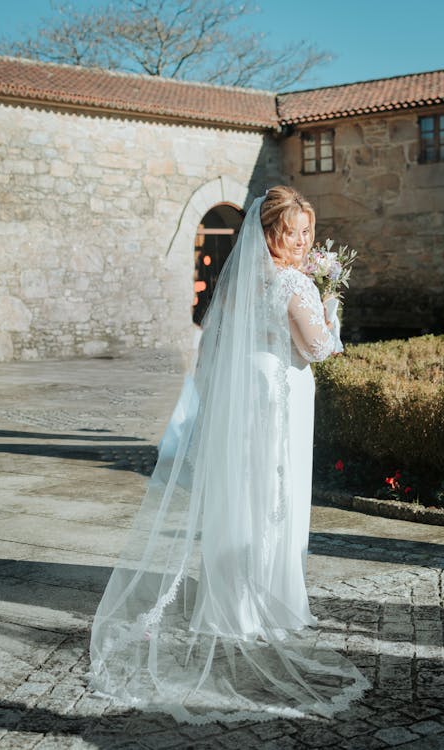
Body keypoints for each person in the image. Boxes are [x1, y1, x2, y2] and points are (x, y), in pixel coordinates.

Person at [89, 186, 369, 723]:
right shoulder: (291, 281)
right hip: (279, 394)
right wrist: (332, 312)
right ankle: (265, 600)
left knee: (249, 486)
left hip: (252, 391)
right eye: (295, 231)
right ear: (271, 234)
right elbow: (316, 348)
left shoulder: (247, 282)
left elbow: (220, 341)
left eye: (308, 231)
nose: (304, 240)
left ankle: (235, 598)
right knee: (274, 490)